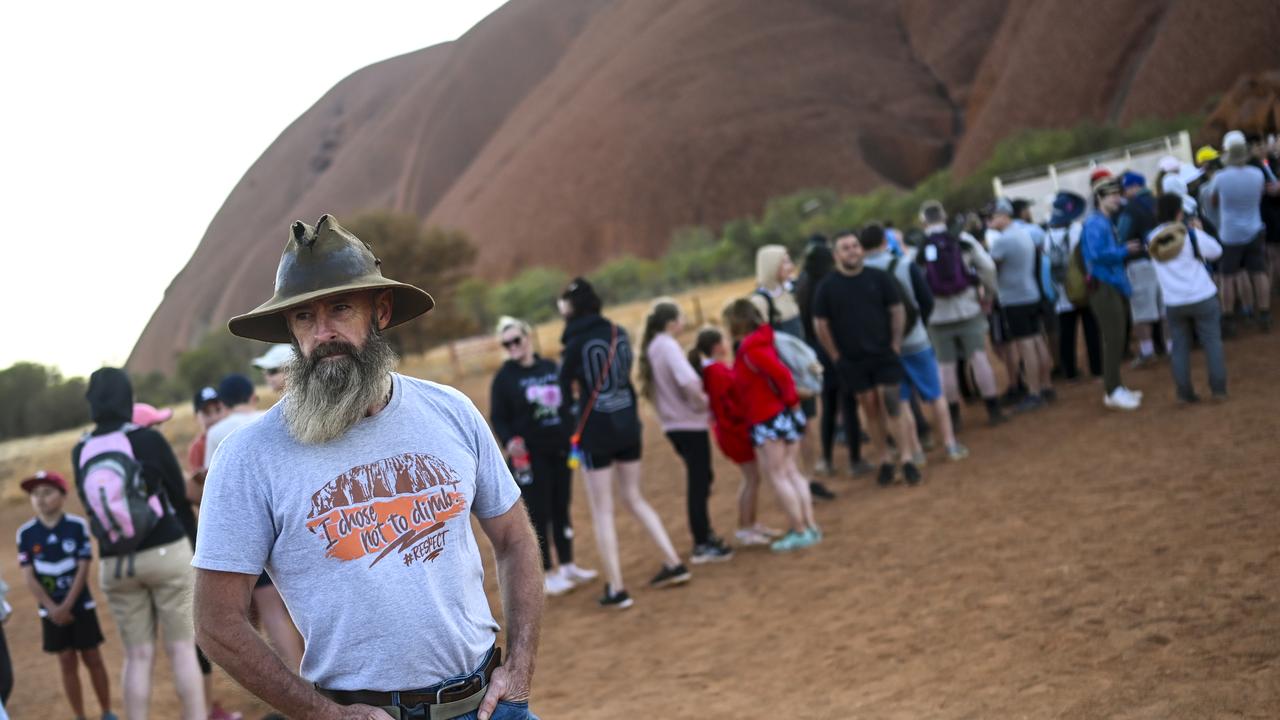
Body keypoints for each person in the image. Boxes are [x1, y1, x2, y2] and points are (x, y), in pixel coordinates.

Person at [193, 214, 543, 720]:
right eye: (304, 318)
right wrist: (320, 714)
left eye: (339, 308)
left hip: (491, 706)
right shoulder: (251, 456)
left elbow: (515, 539)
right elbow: (215, 621)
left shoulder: (451, 411)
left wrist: (522, 666)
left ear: (379, 310)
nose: (323, 333)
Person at [73, 367, 206, 720]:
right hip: (165, 552)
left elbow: (91, 505)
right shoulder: (146, 439)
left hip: (115, 563)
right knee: (181, 650)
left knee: (137, 657)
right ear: (128, 399)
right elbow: (178, 494)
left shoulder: (80, 450)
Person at [557, 277, 689, 610]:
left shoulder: (573, 344)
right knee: (634, 496)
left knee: (603, 510)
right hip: (628, 425)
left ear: (571, 308)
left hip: (595, 432)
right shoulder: (619, 333)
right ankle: (674, 561)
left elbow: (563, 390)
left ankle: (616, 588)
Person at [203, 374, 306, 674]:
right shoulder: (272, 418)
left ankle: (300, 677)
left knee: (270, 610)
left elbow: (215, 480)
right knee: (294, 605)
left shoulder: (216, 432)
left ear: (222, 402)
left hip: (248, 526)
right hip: (285, 520)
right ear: (252, 395)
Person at [489, 316, 597, 596]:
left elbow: (568, 405)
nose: (513, 346)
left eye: (517, 340)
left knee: (562, 506)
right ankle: (548, 572)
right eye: (507, 343)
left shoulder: (551, 368)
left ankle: (569, 565)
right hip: (530, 456)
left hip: (560, 449)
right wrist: (510, 440)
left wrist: (575, 436)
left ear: (528, 338)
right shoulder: (504, 378)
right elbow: (499, 417)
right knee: (540, 512)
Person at [812, 230, 922, 486]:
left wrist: (895, 343)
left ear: (861, 249)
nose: (851, 251)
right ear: (836, 255)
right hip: (852, 360)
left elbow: (897, 310)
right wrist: (836, 355)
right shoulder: (827, 287)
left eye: (854, 246)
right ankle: (884, 460)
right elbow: (820, 324)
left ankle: (906, 459)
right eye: (845, 248)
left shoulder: (879, 278)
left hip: (884, 353)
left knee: (893, 401)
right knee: (870, 407)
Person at [859, 224, 968, 462]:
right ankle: (950, 444)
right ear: (884, 242)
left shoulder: (861, 274)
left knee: (902, 400)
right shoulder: (904, 264)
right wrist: (919, 324)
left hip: (885, 346)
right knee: (935, 394)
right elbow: (926, 300)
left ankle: (916, 450)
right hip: (915, 339)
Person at [638, 300, 734, 563]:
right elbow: (688, 381)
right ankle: (702, 541)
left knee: (701, 478)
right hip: (687, 423)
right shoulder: (667, 345)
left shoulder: (655, 346)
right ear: (671, 323)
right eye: (680, 318)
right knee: (700, 481)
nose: (683, 323)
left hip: (675, 424)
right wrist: (702, 402)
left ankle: (705, 535)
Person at [16, 471, 117, 720]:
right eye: (35, 494)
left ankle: (106, 712)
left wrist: (68, 605)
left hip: (80, 605)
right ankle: (79, 716)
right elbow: (29, 576)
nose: (40, 499)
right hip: (49, 610)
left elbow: (83, 566)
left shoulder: (76, 526)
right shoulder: (26, 534)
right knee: (66, 660)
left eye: (48, 492)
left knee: (92, 656)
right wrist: (52, 608)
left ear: (62, 496)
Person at [722, 299, 820, 552]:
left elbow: (781, 375)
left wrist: (793, 402)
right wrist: (794, 406)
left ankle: (800, 529)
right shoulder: (763, 341)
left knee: (779, 474)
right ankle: (808, 526)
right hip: (781, 414)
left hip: (766, 418)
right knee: (791, 472)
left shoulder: (751, 349)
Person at [749, 245, 834, 500]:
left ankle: (810, 478)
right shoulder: (759, 302)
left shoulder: (789, 293)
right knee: (790, 433)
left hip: (800, 374)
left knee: (808, 425)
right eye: (784, 262)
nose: (790, 266)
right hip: (780, 381)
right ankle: (794, 482)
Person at [915, 201, 1007, 427]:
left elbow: (915, 283)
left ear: (923, 222)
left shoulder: (918, 249)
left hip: (937, 316)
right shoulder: (963, 241)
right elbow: (988, 268)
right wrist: (988, 297)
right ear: (944, 218)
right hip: (968, 309)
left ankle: (954, 416)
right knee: (978, 357)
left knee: (946, 365)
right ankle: (993, 409)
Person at [688, 326, 778, 547]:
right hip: (734, 432)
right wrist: (743, 425)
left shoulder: (714, 370)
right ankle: (746, 527)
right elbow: (727, 406)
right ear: (717, 346)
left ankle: (750, 523)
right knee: (751, 478)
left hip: (734, 430)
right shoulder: (716, 372)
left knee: (752, 478)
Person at [1148, 194, 1228, 402]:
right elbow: (1217, 251)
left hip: (1174, 301)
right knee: (1212, 342)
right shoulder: (1189, 234)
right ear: (1179, 212)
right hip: (1202, 295)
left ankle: (1184, 393)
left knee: (1180, 346)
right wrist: (1199, 232)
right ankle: (1218, 389)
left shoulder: (1152, 238)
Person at [1082, 173, 1144, 411]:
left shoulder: (1101, 221)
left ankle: (1116, 386)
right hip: (1103, 285)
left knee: (1117, 337)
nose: (1118, 199)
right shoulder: (1096, 223)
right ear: (1100, 198)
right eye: (1113, 195)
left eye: (1118, 194)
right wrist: (1123, 250)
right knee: (1113, 338)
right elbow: (1096, 255)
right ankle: (1112, 390)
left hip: (1109, 284)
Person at [989, 199, 1055, 411]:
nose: (990, 221)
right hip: (1031, 293)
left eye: (993, 216)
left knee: (1026, 345)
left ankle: (1034, 392)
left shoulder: (1002, 241)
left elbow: (992, 269)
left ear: (1003, 216)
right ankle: (1046, 386)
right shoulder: (1023, 234)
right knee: (1037, 340)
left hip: (1014, 299)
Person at [1210, 130, 1275, 334]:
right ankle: (1264, 312)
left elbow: (1213, 200)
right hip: (1255, 229)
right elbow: (1262, 193)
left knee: (1228, 276)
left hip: (1230, 234)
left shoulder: (1220, 178)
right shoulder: (1256, 174)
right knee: (1259, 272)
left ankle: (1228, 317)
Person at [1046, 192, 1102, 381]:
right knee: (1091, 328)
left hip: (1060, 291)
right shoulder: (1077, 230)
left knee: (1066, 333)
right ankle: (1097, 368)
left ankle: (1069, 371)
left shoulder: (1047, 235)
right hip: (1081, 288)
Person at [1117, 171, 1163, 367]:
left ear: (1133, 187)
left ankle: (1147, 351)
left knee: (1142, 311)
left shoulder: (1131, 208)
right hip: (1163, 260)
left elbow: (1122, 234)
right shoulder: (1158, 202)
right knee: (1164, 309)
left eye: (1126, 188)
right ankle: (1171, 346)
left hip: (1139, 263)